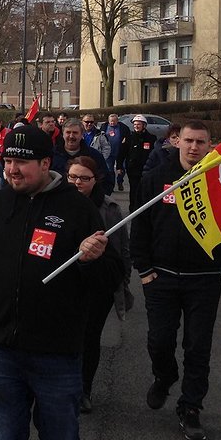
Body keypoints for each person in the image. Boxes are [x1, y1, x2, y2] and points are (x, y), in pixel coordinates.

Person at [0, 125, 121, 440]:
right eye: (8, 160)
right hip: (1, 351)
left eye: (22, 162)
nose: (12, 169)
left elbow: (110, 280)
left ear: (45, 163)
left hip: (56, 354)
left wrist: (93, 260)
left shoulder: (77, 208)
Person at [131, 121, 221, 440]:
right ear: (177, 142)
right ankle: (165, 375)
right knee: (159, 341)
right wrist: (144, 269)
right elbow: (140, 226)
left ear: (210, 144)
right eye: (188, 140)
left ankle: (190, 408)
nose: (193, 147)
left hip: (204, 280)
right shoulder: (156, 180)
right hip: (161, 277)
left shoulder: (219, 183)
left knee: (198, 348)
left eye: (200, 142)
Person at [66, 156, 130, 414]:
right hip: (64, 284)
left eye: (84, 178)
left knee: (89, 337)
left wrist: (122, 281)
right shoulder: (55, 204)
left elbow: (121, 249)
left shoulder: (109, 209)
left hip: (98, 286)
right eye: (73, 177)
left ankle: (84, 388)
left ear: (96, 180)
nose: (77, 183)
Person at [50, 119, 113, 196]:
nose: (71, 136)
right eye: (68, 132)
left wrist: (95, 201)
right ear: (62, 134)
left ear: (82, 134)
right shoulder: (51, 155)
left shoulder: (94, 155)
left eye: (75, 133)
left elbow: (106, 181)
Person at [118, 115, 154, 210]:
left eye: (139, 124)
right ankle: (133, 209)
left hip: (146, 169)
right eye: (135, 124)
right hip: (133, 169)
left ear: (144, 126)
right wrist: (119, 166)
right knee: (134, 189)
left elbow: (154, 155)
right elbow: (122, 153)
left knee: (145, 190)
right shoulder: (129, 138)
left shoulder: (151, 138)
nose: (136, 126)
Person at [104, 113, 130, 192]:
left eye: (114, 121)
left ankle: (120, 181)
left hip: (120, 152)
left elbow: (128, 137)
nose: (112, 123)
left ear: (117, 121)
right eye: (111, 121)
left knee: (122, 168)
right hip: (109, 153)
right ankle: (111, 185)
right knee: (110, 170)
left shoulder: (123, 128)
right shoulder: (104, 127)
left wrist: (125, 141)